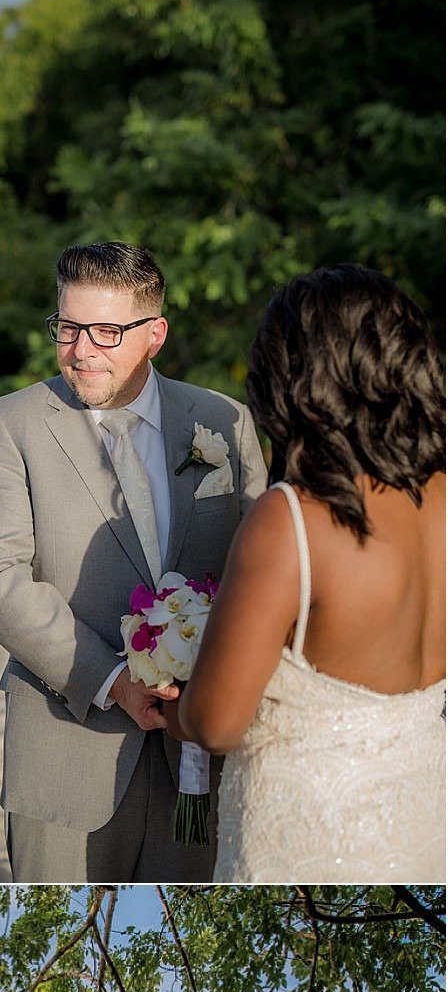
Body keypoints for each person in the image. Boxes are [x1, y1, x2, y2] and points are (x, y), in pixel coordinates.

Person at [0, 241, 267, 882]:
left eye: (105, 330)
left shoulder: (223, 421)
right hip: (70, 739)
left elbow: (258, 566)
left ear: (154, 333)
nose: (80, 349)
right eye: (67, 328)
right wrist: (114, 681)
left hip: (199, 747)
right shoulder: (8, 426)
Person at [172, 265, 445, 883]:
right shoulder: (443, 501)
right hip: (426, 823)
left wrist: (171, 708)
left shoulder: (293, 517)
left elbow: (215, 723)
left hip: (310, 833)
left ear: (294, 379)